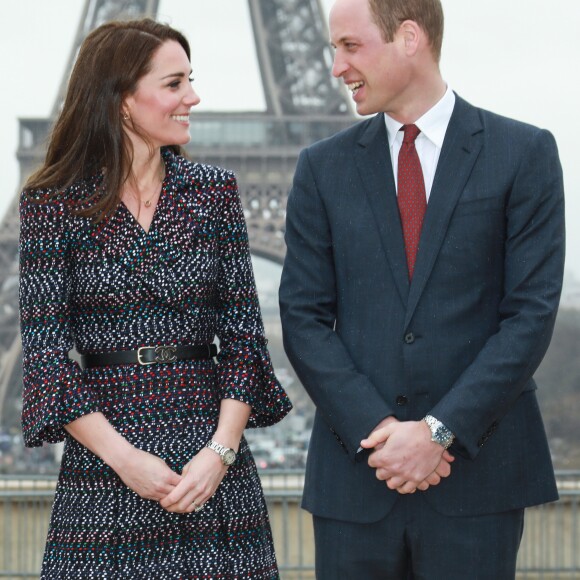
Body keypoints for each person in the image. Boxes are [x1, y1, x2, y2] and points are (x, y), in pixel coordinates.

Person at [279, 0, 565, 577]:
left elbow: (530, 316)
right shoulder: (320, 168)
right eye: (334, 49)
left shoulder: (524, 153)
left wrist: (439, 432)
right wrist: (384, 433)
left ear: (409, 38)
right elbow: (302, 317)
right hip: (358, 478)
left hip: (478, 481)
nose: (336, 66)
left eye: (350, 46)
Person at [19, 18, 292, 579]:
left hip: (208, 459)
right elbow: (46, 358)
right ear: (122, 99)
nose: (193, 96)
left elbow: (244, 341)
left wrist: (220, 453)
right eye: (174, 84)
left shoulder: (214, 192)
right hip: (106, 458)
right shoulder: (52, 204)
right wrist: (125, 460)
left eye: (190, 80)